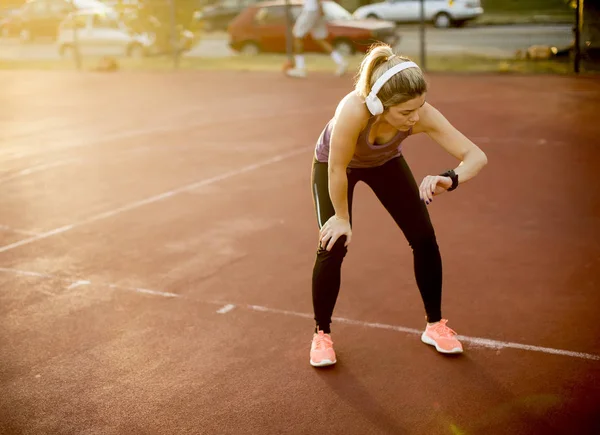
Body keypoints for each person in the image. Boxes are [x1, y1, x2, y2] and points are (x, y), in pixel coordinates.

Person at [308, 43, 488, 367]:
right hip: (336, 166)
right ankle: (321, 334)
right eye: (406, 112)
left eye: (419, 108)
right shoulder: (353, 111)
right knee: (333, 243)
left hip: (385, 162)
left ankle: (435, 326)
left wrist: (451, 177)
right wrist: (341, 217)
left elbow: (476, 156)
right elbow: (336, 168)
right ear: (379, 105)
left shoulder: (421, 114)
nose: (415, 118)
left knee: (424, 238)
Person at [285, 0, 347, 78]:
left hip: (310, 10)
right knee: (319, 39)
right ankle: (340, 61)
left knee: (297, 36)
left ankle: (300, 68)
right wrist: (320, 9)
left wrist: (320, 8)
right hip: (316, 10)